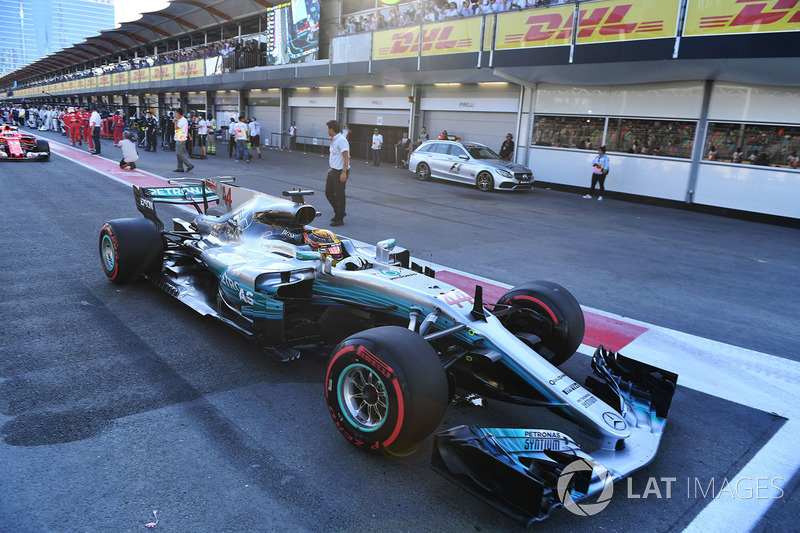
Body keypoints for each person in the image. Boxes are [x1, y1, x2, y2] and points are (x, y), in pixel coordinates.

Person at [326, 119, 350, 227]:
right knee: (328, 192)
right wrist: (331, 168)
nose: (327, 131)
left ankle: (340, 218)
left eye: (328, 128)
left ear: (332, 129)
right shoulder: (333, 140)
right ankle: (338, 211)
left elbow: (346, 157)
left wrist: (344, 172)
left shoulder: (341, 140)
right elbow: (335, 156)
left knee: (340, 195)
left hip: (340, 171)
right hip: (333, 170)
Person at [172, 109, 194, 173]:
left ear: (178, 113)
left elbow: (176, 127)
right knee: (178, 154)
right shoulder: (180, 119)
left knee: (179, 154)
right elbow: (173, 121)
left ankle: (189, 165)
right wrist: (175, 120)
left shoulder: (183, 120)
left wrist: (175, 121)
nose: (175, 115)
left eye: (176, 113)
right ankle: (180, 167)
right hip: (178, 138)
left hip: (181, 139)